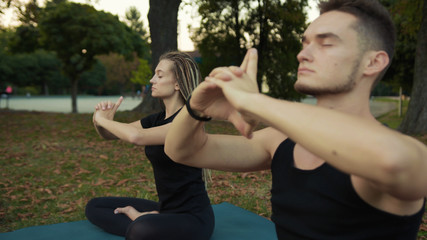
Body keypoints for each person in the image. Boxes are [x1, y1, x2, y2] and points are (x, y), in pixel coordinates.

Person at [165, 0, 427, 239]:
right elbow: (181, 151)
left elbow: (393, 161)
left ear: (373, 62)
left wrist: (252, 102)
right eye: (305, 43)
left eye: (326, 43)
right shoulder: (279, 141)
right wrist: (196, 107)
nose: (303, 54)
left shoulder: (395, 151)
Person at [85, 51, 214, 240]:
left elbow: (137, 137)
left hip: (192, 218)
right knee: (95, 207)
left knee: (141, 230)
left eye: (160, 75)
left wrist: (102, 120)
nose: (152, 80)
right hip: (165, 209)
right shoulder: (157, 119)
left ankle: (141, 220)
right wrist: (101, 121)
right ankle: (150, 221)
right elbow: (110, 134)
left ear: (177, 83)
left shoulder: (187, 122)